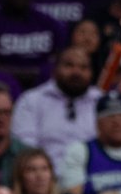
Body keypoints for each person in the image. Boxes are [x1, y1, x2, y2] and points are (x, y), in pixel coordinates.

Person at [11, 47, 100, 175]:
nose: (76, 72)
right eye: (69, 65)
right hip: (46, 181)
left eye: (83, 67)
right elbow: (25, 149)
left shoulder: (100, 101)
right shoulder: (31, 100)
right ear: (55, 69)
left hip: (93, 179)